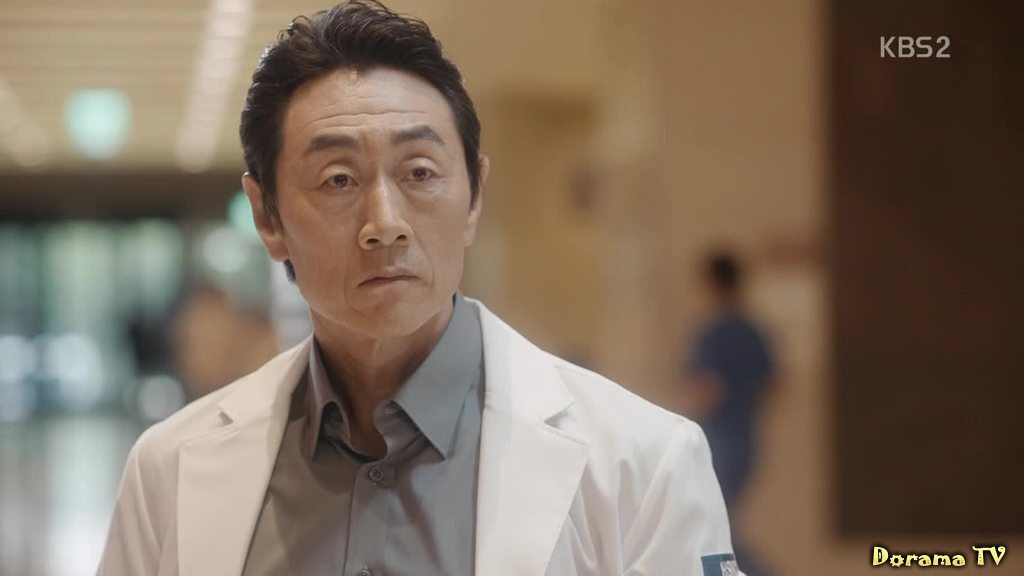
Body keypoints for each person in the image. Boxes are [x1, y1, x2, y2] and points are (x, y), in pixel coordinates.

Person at [97, 2, 739, 575]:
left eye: (421, 172)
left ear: (474, 196)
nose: (385, 223)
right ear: (268, 217)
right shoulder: (170, 468)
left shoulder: (644, 464)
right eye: (338, 180)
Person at [683, 250, 776, 576]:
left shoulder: (714, 334)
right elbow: (772, 384)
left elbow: (706, 390)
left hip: (719, 442)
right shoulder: (752, 331)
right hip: (745, 440)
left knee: (714, 530)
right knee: (723, 526)